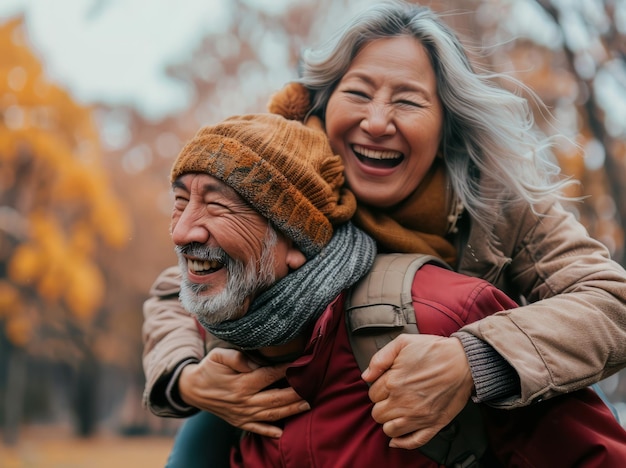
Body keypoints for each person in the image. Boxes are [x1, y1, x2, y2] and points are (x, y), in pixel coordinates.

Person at [143, 0, 626, 464]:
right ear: (323, 105)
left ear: (446, 125)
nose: (376, 122)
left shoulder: (500, 203)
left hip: (442, 415)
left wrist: (472, 359)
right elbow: (180, 283)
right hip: (284, 403)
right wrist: (186, 379)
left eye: (408, 101)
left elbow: (611, 303)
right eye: (357, 93)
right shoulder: (292, 182)